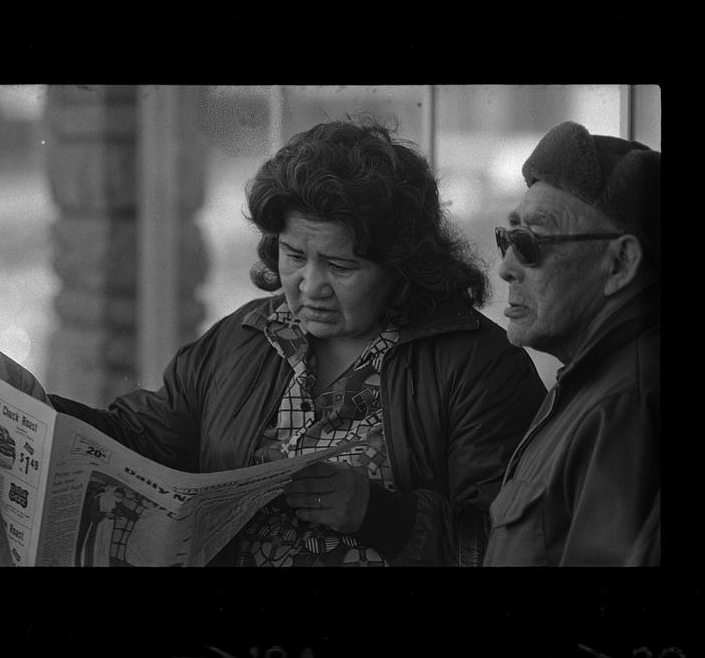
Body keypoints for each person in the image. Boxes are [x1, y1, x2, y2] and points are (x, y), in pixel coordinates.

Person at [50, 118, 547, 567]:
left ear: (401, 268)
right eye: (293, 256)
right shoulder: (247, 337)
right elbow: (145, 440)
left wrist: (380, 515)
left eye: (340, 265)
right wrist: (35, 409)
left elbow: (508, 545)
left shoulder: (478, 367)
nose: (309, 286)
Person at [483, 120, 660, 566]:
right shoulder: (592, 380)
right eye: (508, 237)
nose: (505, 268)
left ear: (620, 262)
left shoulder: (626, 406)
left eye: (531, 243)